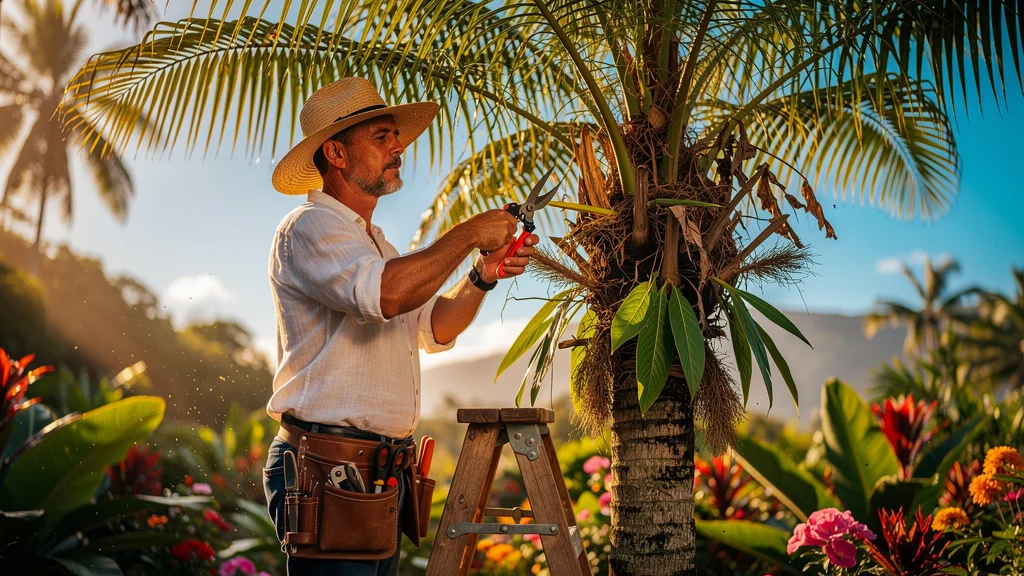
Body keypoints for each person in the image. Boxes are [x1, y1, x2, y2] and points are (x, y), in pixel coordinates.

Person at [262, 77, 539, 575]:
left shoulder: (379, 247)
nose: (399, 147)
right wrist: (468, 233)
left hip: (381, 475)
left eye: (396, 135)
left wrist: (483, 274)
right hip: (328, 471)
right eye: (381, 136)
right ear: (336, 154)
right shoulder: (307, 228)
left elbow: (437, 327)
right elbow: (385, 296)